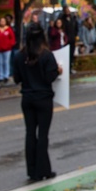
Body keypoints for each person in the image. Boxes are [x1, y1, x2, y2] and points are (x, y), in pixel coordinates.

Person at [12, 22, 61, 181]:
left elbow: (17, 78)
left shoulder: (20, 56)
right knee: (43, 135)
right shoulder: (46, 55)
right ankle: (44, 169)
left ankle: (32, 170)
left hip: (27, 98)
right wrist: (57, 71)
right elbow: (49, 78)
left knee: (30, 133)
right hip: (43, 98)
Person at [0, 16, 16, 85]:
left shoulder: (8, 29)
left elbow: (12, 39)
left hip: (7, 49)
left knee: (6, 62)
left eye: (3, 21)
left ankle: (6, 76)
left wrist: (9, 45)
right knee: (0, 63)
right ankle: (1, 76)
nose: (2, 22)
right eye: (1, 21)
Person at [60, 6, 79, 74]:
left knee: (71, 54)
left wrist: (75, 35)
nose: (67, 11)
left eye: (68, 10)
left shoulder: (73, 18)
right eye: (66, 10)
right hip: (66, 40)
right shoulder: (61, 19)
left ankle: (70, 68)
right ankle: (66, 69)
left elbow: (76, 27)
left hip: (72, 39)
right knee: (66, 55)